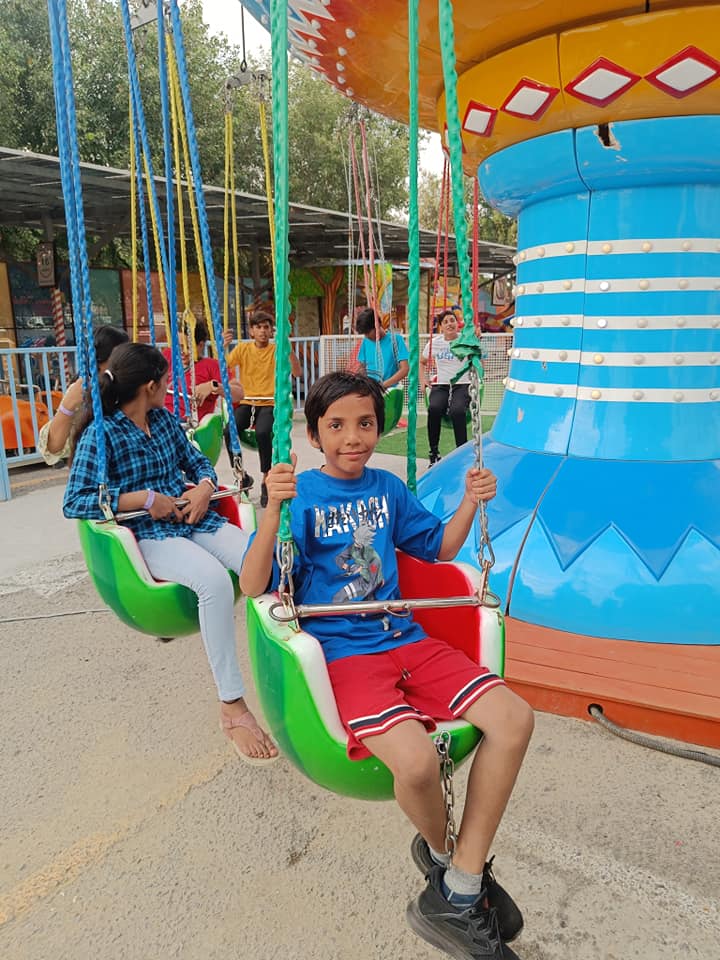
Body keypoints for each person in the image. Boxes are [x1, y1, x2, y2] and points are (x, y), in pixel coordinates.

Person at [240, 371, 534, 960]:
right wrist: (271, 510)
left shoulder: (389, 489)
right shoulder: (300, 495)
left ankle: (458, 887)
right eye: (337, 426)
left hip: (406, 636)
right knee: (417, 763)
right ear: (314, 434)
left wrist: (471, 502)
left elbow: (440, 549)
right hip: (344, 653)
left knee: (515, 718)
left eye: (366, 423)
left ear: (381, 426)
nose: (353, 437)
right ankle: (454, 869)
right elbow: (252, 585)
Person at [63, 342, 278, 764]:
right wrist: (144, 499)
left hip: (194, 519)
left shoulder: (163, 421)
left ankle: (288, 665)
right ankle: (232, 706)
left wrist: (204, 489)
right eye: (165, 380)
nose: (170, 387)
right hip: (149, 535)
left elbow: (197, 463)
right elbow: (76, 501)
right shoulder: (101, 434)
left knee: (261, 563)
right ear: (149, 386)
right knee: (214, 582)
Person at [223, 310, 301, 508]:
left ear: (271, 331)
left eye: (266, 327)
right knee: (229, 431)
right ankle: (241, 474)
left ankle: (266, 478)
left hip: (269, 403)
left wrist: (288, 348)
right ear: (251, 331)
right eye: (258, 327)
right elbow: (223, 367)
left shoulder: (277, 350)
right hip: (248, 401)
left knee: (263, 432)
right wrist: (222, 347)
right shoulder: (243, 349)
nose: (263, 331)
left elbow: (297, 372)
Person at [37, 325, 129, 465]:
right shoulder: (83, 391)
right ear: (100, 360)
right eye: (119, 358)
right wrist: (68, 405)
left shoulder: (127, 386)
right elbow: (53, 447)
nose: (125, 363)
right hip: (95, 466)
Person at [163, 319, 244, 423]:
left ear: (200, 345)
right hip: (161, 414)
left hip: (186, 422)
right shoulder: (168, 356)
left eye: (187, 347)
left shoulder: (211, 366)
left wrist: (213, 386)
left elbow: (239, 393)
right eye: (178, 346)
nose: (181, 351)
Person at [420, 310, 471, 466]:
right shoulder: (435, 343)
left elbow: (480, 356)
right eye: (446, 322)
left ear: (457, 323)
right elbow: (421, 362)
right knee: (434, 408)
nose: (450, 324)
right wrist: (423, 379)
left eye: (452, 320)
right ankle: (434, 452)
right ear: (441, 326)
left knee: (457, 411)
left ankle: (461, 452)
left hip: (462, 384)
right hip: (442, 385)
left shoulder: (466, 340)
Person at [355, 307, 409, 389]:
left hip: (390, 390)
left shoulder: (396, 340)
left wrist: (383, 385)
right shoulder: (365, 342)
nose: (366, 336)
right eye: (364, 333)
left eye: (368, 332)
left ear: (377, 325)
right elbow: (362, 367)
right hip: (371, 389)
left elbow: (405, 369)